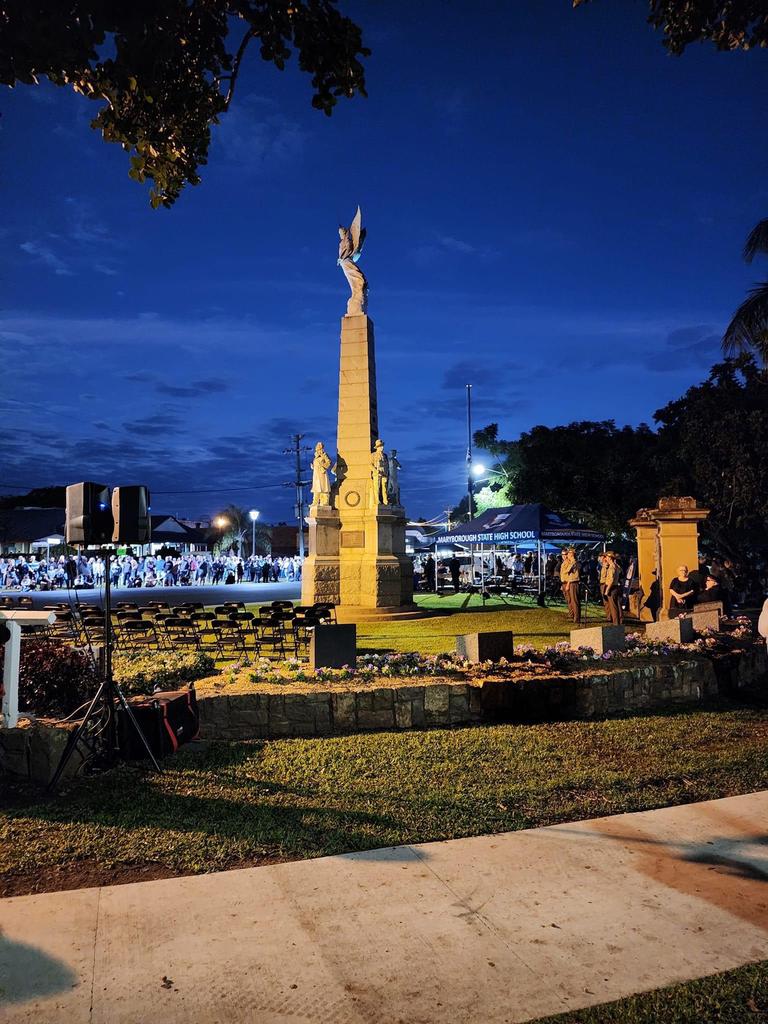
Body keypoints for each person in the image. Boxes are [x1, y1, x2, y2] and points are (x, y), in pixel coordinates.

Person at [601, 551, 623, 625]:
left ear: (610, 558)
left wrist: (607, 590)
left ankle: (616, 623)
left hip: (611, 587)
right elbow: (620, 571)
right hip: (615, 587)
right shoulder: (615, 566)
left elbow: (611, 580)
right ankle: (617, 622)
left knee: (613, 607)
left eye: (607, 557)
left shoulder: (612, 567)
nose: (605, 558)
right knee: (615, 605)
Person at [560, 547, 581, 623]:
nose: (566, 555)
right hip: (567, 582)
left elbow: (568, 573)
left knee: (574, 601)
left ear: (571, 554)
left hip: (572, 582)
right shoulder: (568, 562)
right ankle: (573, 615)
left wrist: (567, 584)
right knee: (570, 600)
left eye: (568, 553)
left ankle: (576, 618)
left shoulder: (572, 562)